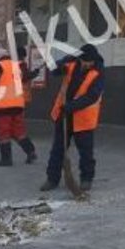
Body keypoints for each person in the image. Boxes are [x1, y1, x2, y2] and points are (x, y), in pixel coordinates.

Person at [41, 44, 104, 192]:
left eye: (90, 62)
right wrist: (55, 63)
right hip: (64, 116)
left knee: (86, 151)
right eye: (85, 61)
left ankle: (86, 179)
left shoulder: (99, 72)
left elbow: (92, 96)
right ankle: (52, 179)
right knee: (58, 149)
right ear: (80, 59)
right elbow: (56, 71)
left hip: (83, 118)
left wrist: (70, 107)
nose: (88, 64)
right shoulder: (72, 63)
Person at [0, 48, 37, 167]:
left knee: (3, 133)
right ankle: (31, 151)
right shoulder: (17, 66)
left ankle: (6, 159)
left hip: (2, 106)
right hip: (18, 105)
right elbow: (26, 77)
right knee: (19, 131)